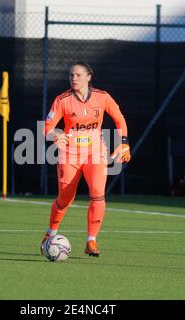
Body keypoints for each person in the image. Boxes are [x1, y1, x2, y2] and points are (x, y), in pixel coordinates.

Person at [41, 62, 131, 257]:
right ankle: (50, 234)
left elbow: (119, 118)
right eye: (71, 75)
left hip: (95, 152)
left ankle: (91, 241)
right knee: (65, 198)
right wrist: (55, 135)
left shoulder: (102, 97)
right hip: (70, 154)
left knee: (98, 194)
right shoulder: (62, 100)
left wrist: (124, 143)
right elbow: (47, 127)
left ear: (89, 77)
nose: (74, 78)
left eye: (79, 75)